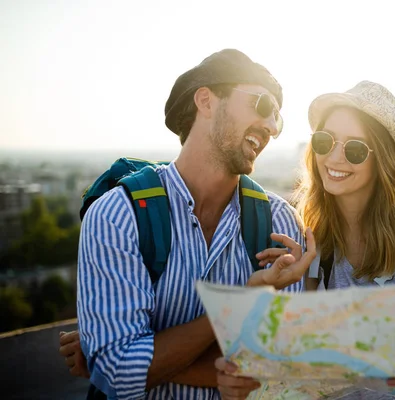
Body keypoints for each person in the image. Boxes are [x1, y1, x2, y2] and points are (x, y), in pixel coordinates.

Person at [64, 48, 316, 400]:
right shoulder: (119, 215)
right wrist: (245, 299)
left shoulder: (278, 222)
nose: (273, 128)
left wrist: (132, 356)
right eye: (262, 105)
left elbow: (279, 367)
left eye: (278, 118)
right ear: (206, 101)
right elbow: (118, 374)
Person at [215, 81, 395, 400]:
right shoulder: (310, 237)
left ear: (382, 159)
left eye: (355, 149)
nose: (335, 158)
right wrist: (266, 288)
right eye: (325, 141)